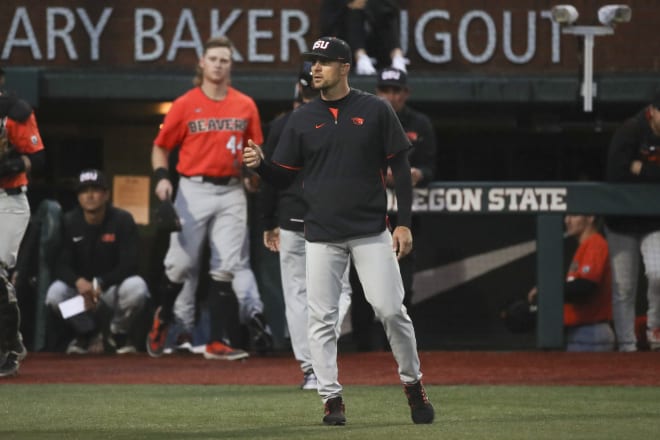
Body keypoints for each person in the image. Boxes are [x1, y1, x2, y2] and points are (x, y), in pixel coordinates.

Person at [244, 36, 434, 425]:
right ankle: (331, 398)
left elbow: (399, 167)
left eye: (323, 62)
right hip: (321, 233)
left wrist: (403, 223)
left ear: (345, 67)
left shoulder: (376, 109)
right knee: (321, 319)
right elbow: (283, 177)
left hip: (369, 229)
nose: (314, 68)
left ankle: (413, 383)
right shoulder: (301, 118)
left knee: (390, 310)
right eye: (313, 62)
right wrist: (261, 165)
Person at [147, 36, 263, 361]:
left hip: (231, 189)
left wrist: (254, 176)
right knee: (180, 263)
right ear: (202, 62)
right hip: (193, 187)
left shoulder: (245, 105)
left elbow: (255, 150)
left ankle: (215, 341)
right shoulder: (185, 103)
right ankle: (163, 317)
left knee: (226, 265)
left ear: (231, 65)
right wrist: (161, 179)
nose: (218, 64)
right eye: (213, 58)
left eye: (224, 59)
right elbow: (160, 146)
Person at [259, 62, 352, 390]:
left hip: (294, 216)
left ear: (299, 89)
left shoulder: (282, 124)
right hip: (330, 218)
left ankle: (312, 368)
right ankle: (319, 355)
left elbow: (268, 178)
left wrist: (267, 221)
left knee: (298, 294)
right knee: (338, 293)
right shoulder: (341, 120)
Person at [349, 67, 438, 350]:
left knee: (403, 284)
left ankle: (398, 347)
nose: (391, 96)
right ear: (377, 92)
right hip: (367, 208)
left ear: (405, 93)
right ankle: (363, 347)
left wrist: (416, 174)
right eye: (386, 90)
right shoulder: (362, 118)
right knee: (361, 281)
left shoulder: (419, 123)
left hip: (404, 210)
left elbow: (430, 165)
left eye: (396, 91)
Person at [44, 169, 150, 354]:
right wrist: (78, 282)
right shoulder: (69, 221)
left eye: (95, 190)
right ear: (78, 197)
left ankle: (118, 334)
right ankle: (88, 333)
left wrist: (101, 283)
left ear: (106, 194)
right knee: (55, 294)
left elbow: (130, 263)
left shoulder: (122, 219)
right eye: (84, 191)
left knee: (137, 287)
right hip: (82, 298)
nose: (90, 195)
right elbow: (59, 264)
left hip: (110, 294)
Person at [605, 90, 660, 352]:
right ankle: (627, 346)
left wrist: (641, 168)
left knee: (658, 274)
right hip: (622, 221)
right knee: (624, 288)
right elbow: (616, 172)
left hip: (653, 221)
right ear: (653, 111)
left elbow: (632, 170)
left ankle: (655, 332)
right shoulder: (631, 129)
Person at [0, 93, 43, 377]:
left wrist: (16, 164)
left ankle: (8, 346)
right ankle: (12, 340)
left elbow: (37, 158)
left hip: (8, 199)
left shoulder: (13, 111)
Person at [527, 215, 614, 351]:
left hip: (590, 333)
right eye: (566, 216)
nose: (567, 220)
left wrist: (546, 291)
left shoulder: (595, 244)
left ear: (590, 217)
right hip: (582, 332)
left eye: (574, 215)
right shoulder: (585, 246)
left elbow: (585, 287)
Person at [320, 0, 406, 75]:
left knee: (386, 10)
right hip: (344, 34)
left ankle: (396, 56)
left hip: (378, 37)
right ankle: (361, 57)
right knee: (354, 10)